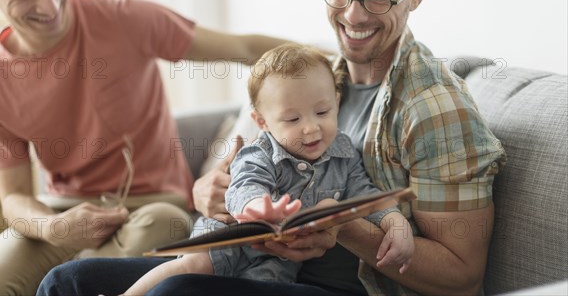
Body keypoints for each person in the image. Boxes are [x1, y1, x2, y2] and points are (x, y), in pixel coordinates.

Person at [37, 0, 507, 295]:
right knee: (67, 281)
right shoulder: (320, 77)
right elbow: (244, 165)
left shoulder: (434, 110)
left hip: (345, 288)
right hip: (247, 261)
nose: (353, 14)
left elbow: (463, 278)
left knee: (175, 291)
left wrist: (342, 227)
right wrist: (210, 193)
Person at [0, 0, 289, 295]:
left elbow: (242, 47)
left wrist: (332, 61)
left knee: (150, 233)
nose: (50, 4)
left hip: (154, 206)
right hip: (65, 212)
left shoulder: (122, 19)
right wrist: (52, 227)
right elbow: (15, 198)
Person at [122, 44, 414, 295]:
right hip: (229, 236)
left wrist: (392, 220)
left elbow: (364, 193)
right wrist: (258, 208)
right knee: (194, 266)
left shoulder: (344, 153)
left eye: (322, 112)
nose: (311, 128)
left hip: (279, 259)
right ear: (262, 122)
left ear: (336, 103)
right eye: (292, 119)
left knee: (266, 286)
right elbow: (244, 185)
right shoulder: (259, 152)